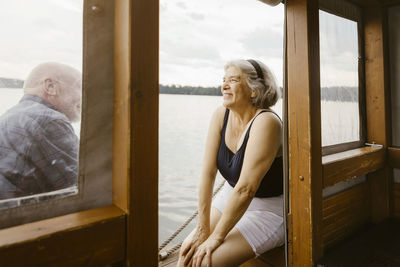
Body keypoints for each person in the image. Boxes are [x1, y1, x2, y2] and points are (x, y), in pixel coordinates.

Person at [178, 59, 284, 267]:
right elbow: (208, 174)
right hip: (230, 197)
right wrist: (202, 228)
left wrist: (215, 238)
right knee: (187, 255)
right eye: (223, 80)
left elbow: (246, 188)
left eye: (233, 80)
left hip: (268, 209)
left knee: (204, 263)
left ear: (254, 91)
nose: (224, 85)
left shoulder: (267, 122)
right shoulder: (221, 114)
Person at [0, 62, 82, 200]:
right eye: (80, 87)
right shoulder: (48, 121)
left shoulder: (12, 115)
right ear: (50, 87)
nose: (86, 95)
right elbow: (80, 188)